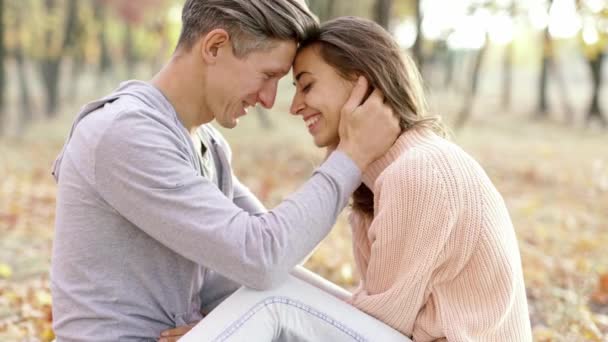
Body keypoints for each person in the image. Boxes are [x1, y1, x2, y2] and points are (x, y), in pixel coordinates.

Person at [49, 1, 400, 340]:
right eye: (267, 75)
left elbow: (276, 261)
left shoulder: (207, 145)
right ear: (215, 46)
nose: (267, 99)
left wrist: (369, 320)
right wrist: (351, 156)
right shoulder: (126, 133)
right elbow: (263, 256)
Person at [175, 16, 533, 342]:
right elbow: (368, 318)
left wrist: (229, 331)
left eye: (307, 86)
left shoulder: (420, 171)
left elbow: (382, 324)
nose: (295, 105)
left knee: (273, 300)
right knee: (275, 282)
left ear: (361, 84)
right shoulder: (378, 180)